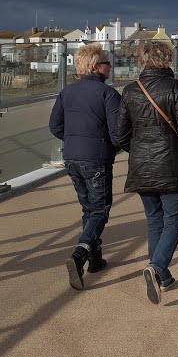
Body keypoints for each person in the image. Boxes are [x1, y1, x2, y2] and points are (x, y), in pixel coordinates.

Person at [117, 41, 178, 305]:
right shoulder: (176, 87)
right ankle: (157, 267)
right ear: (167, 59)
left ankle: (162, 278)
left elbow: (119, 135)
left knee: (154, 220)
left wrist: (138, 149)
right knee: (174, 220)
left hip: (140, 164)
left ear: (142, 60)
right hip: (170, 162)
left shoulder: (130, 91)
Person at [49, 42, 121, 290]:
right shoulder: (108, 94)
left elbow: (55, 126)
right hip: (97, 158)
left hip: (71, 157)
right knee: (100, 209)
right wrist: (115, 147)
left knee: (88, 208)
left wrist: (72, 141)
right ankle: (80, 254)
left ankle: (95, 259)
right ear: (95, 66)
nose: (109, 65)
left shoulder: (66, 92)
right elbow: (117, 131)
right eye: (106, 62)